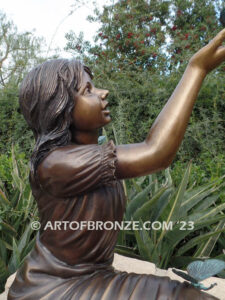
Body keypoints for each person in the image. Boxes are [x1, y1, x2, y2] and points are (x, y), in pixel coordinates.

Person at [8, 29, 225, 300]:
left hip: (95, 277)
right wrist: (196, 69)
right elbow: (156, 152)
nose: (102, 92)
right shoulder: (55, 165)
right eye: (87, 90)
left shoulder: (89, 155)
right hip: (53, 288)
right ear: (60, 108)